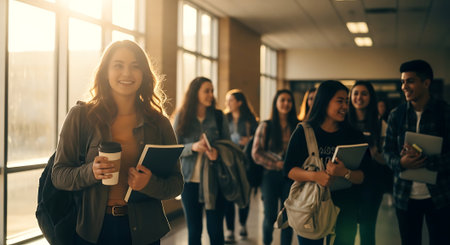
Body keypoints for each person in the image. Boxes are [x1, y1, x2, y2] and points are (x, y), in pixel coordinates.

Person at [51, 40, 184, 245]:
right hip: (93, 231)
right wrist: (91, 172)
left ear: (144, 74)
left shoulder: (159, 123)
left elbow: (176, 185)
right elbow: (59, 175)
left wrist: (150, 184)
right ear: (105, 71)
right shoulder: (81, 117)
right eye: (118, 65)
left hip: (145, 233)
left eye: (135, 66)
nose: (127, 73)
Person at [284, 80, 371, 245]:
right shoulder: (304, 132)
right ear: (324, 101)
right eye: (340, 101)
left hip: (346, 207)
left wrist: (345, 173)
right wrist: (315, 176)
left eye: (346, 101)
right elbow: (288, 170)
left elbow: (363, 176)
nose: (345, 106)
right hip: (311, 206)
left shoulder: (354, 135)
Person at [383, 59, 450, 245]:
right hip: (405, 196)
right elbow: (387, 151)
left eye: (410, 81)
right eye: (402, 82)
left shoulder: (444, 112)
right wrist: (401, 163)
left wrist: (425, 161)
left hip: (439, 196)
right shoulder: (396, 115)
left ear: (426, 83)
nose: (404, 86)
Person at [173, 76, 231, 245]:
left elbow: (228, 146)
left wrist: (217, 153)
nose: (211, 95)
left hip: (214, 181)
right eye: (206, 91)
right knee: (194, 230)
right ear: (195, 93)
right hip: (189, 182)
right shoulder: (182, 116)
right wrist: (193, 147)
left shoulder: (219, 117)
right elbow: (174, 149)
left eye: (212, 91)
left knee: (215, 230)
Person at [252, 89, 299, 245]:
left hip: (291, 176)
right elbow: (256, 152)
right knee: (270, 215)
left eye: (289, 101)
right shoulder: (266, 126)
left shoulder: (298, 126)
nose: (286, 104)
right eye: (282, 100)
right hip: (270, 176)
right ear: (276, 103)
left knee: (287, 216)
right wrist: (277, 164)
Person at [348, 81, 391, 245]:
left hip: (372, 183)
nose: (359, 97)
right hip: (347, 181)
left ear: (371, 97)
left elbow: (388, 158)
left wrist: (374, 152)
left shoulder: (381, 124)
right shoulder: (343, 122)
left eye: (364, 93)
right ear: (351, 97)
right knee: (346, 229)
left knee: (367, 229)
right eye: (356, 93)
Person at [223, 89, 259, 243]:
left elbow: (259, 139)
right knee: (230, 196)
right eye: (227, 101)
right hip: (229, 163)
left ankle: (243, 224)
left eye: (231, 100)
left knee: (244, 194)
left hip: (246, 163)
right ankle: (230, 229)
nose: (228, 104)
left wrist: (249, 140)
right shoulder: (225, 118)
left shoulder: (250, 119)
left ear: (239, 102)